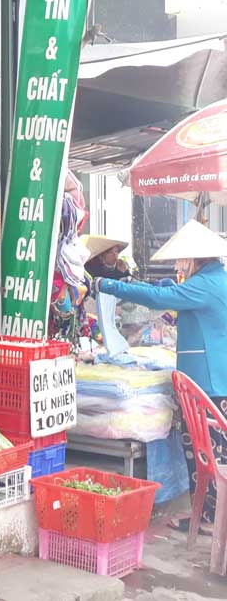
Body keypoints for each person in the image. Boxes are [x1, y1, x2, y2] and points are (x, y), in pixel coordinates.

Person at [95, 219, 227, 529]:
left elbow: (158, 301)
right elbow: (168, 292)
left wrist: (107, 285)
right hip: (213, 379)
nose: (180, 264)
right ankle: (209, 516)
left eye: (182, 260)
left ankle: (208, 518)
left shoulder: (206, 285)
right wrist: (153, 285)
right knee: (210, 452)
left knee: (205, 454)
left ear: (195, 258)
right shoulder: (214, 279)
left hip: (207, 382)